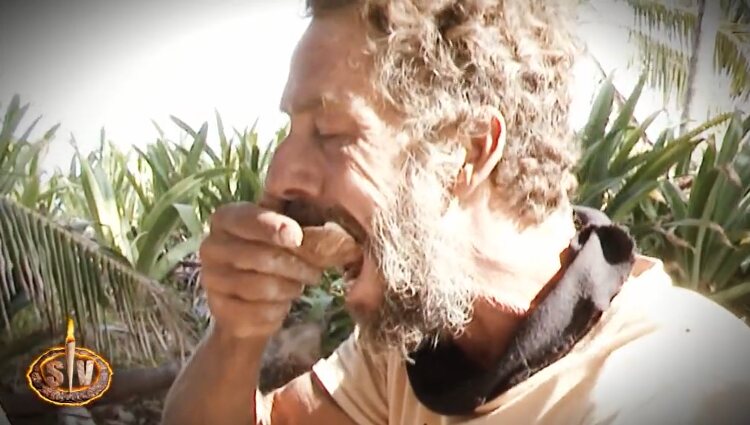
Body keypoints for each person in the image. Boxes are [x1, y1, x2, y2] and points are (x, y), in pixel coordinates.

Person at [161, 0, 750, 424]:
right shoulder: (411, 354)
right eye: (292, 129)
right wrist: (237, 335)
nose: (280, 174)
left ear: (467, 150)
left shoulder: (685, 388)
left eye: (332, 130)